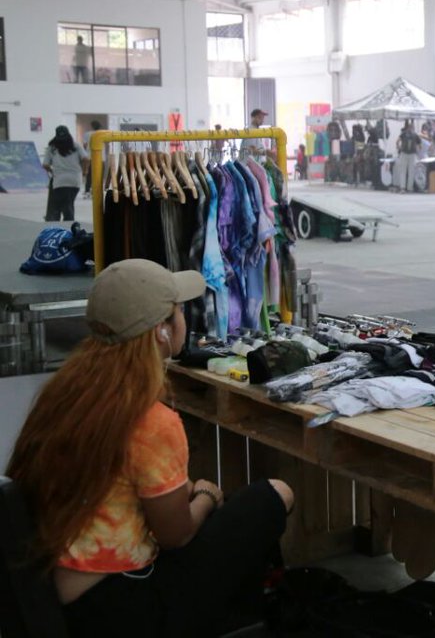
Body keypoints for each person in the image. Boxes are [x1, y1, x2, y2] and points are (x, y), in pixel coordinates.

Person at [5, 259, 294, 636]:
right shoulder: (150, 421)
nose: (183, 320)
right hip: (121, 607)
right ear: (161, 332)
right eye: (178, 312)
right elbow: (177, 535)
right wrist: (206, 493)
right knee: (273, 495)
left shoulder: (64, 395)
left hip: (57, 598)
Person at [42, 125, 84, 221]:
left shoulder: (52, 148)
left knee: (61, 204)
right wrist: (84, 171)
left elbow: (45, 165)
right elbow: (86, 159)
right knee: (68, 202)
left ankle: (58, 219)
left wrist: (52, 171)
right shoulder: (76, 146)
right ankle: (67, 220)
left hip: (59, 181)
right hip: (75, 180)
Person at [394, 120, 421, 193]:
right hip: (412, 154)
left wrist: (398, 147)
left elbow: (397, 141)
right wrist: (418, 150)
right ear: (412, 127)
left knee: (403, 171)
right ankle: (409, 188)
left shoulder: (403, 134)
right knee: (411, 171)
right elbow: (419, 144)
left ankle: (403, 188)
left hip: (404, 153)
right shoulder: (415, 135)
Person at [81, 119, 103, 197]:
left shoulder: (87, 134)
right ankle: (96, 191)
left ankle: (87, 191)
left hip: (90, 157)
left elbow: (84, 145)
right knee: (99, 176)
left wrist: (87, 151)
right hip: (101, 158)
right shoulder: (102, 134)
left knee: (89, 175)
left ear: (92, 126)